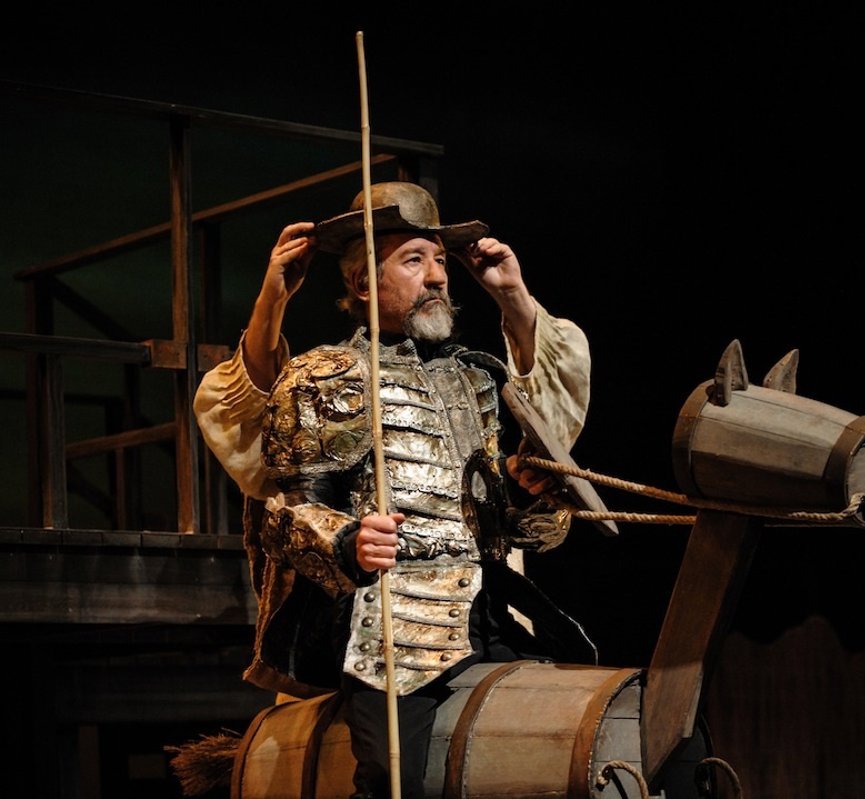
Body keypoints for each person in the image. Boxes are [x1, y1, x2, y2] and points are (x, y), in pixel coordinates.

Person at [192, 181, 596, 799]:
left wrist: (525, 496)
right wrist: (348, 541)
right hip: (393, 624)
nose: (437, 277)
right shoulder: (328, 376)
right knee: (390, 778)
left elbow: (510, 525)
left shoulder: (476, 377)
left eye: (440, 262)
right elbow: (285, 511)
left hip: (488, 609)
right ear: (362, 284)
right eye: (413, 260)